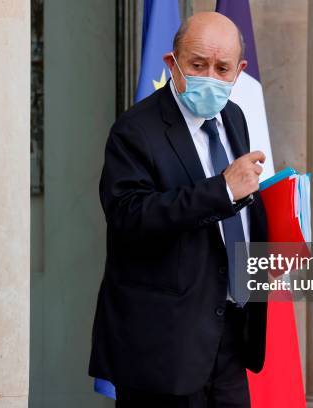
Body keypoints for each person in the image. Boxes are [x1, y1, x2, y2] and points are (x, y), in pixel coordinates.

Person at [89, 11, 268, 408]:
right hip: (163, 345)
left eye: (222, 69)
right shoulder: (135, 130)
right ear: (173, 63)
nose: (210, 77)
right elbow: (129, 215)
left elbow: (236, 212)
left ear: (239, 72)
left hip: (229, 335)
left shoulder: (234, 117)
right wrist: (221, 189)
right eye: (197, 64)